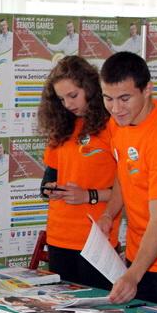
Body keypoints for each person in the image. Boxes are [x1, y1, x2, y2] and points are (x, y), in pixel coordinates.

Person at [97, 51, 157, 304]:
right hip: (139, 258)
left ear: (147, 89)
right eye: (108, 98)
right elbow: (125, 171)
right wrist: (109, 213)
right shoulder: (119, 123)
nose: (115, 108)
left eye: (124, 98)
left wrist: (133, 275)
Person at [37, 56, 118, 290]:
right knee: (60, 305)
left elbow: (127, 189)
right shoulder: (62, 127)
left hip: (96, 238)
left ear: (90, 88)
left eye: (73, 95)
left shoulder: (113, 126)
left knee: (96, 305)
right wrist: (51, 189)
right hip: (59, 236)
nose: (68, 104)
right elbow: (47, 181)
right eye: (61, 99)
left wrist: (88, 195)